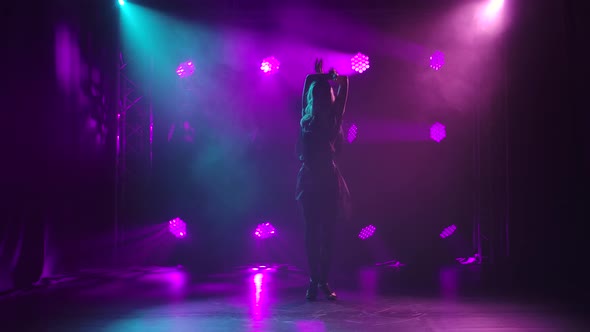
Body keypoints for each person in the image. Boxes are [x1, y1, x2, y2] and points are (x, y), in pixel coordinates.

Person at [296, 59, 350, 301]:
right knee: (311, 233)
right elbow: (307, 82)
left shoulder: (334, 119)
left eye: (327, 93)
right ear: (312, 97)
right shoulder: (305, 119)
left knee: (328, 233)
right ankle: (313, 280)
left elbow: (345, 84)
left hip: (327, 179)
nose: (325, 95)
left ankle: (323, 281)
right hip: (309, 179)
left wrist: (329, 77)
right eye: (320, 93)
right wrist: (318, 76)